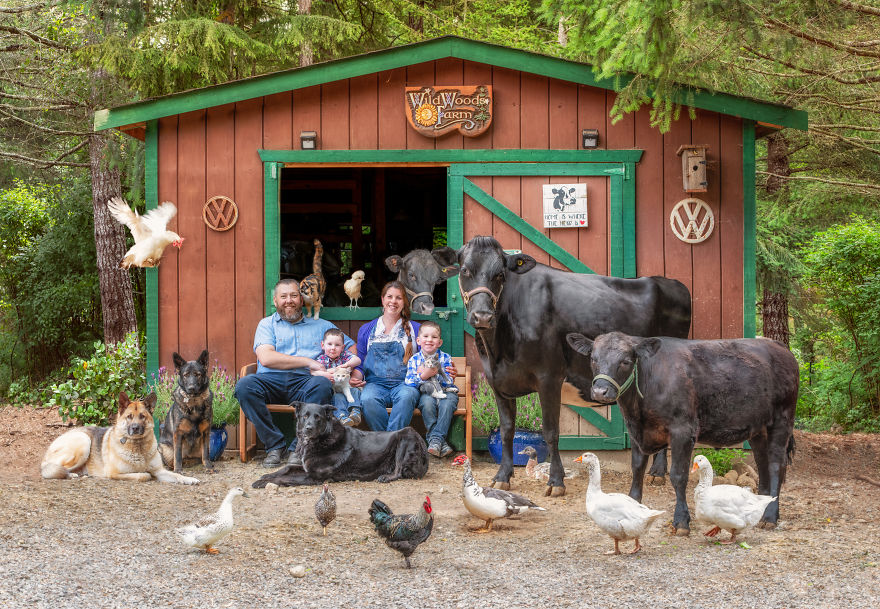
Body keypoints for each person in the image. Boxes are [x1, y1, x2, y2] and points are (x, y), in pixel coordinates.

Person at [234, 278, 355, 468]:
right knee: (244, 386)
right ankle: (274, 446)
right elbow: (266, 358)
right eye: (283, 296)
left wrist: (350, 371)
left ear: (301, 299)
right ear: (275, 301)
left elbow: (351, 348)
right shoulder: (267, 325)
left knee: (323, 385)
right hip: (270, 380)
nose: (288, 300)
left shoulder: (321, 326)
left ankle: (298, 449)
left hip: (306, 382)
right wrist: (308, 362)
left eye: (293, 295)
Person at [355, 281, 422, 432]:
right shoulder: (367, 330)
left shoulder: (416, 329)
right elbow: (360, 363)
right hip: (375, 384)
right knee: (367, 399)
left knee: (407, 396)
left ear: (404, 302)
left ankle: (386, 444)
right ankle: (392, 443)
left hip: (405, 384)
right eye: (389, 297)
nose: (393, 301)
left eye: (398, 298)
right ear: (383, 300)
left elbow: (428, 357)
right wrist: (356, 378)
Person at [404, 320, 458, 458]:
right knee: (427, 404)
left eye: (434, 337)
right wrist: (424, 375)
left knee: (448, 404)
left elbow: (449, 380)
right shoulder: (414, 360)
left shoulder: (445, 357)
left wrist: (432, 373)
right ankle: (441, 442)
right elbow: (409, 381)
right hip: (427, 393)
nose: (429, 340)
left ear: (439, 342)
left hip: (446, 392)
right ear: (418, 340)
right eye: (426, 336)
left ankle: (435, 440)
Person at [312, 328, 363, 426]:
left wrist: (345, 365)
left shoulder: (344, 355)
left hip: (346, 386)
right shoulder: (322, 359)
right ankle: (341, 416)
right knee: (337, 398)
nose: (333, 348)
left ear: (343, 347)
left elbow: (357, 360)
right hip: (334, 389)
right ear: (323, 345)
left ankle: (355, 411)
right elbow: (313, 372)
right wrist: (328, 372)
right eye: (329, 344)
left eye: (337, 345)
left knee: (355, 391)